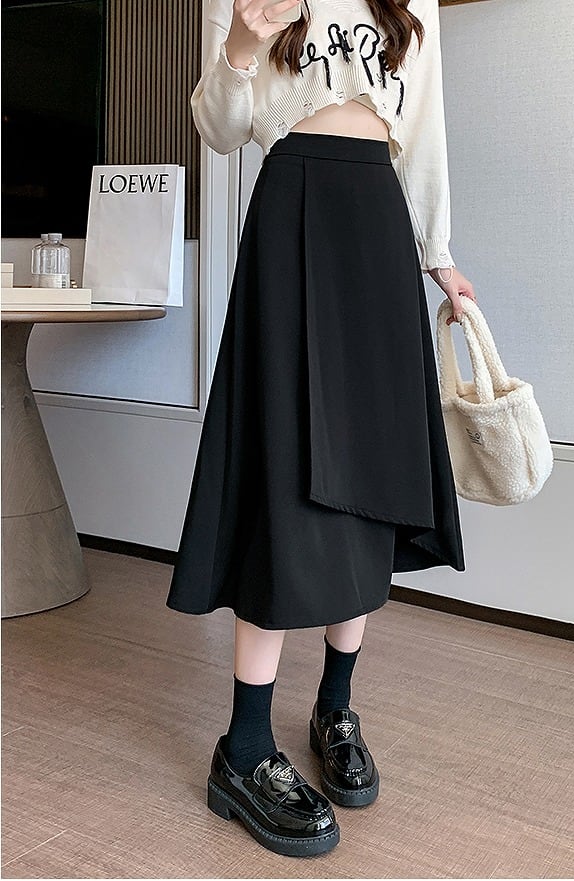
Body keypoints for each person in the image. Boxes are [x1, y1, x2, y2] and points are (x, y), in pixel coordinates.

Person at [166, 0, 477, 858]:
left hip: (377, 215)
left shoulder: (409, 5)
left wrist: (438, 254)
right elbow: (218, 129)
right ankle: (244, 745)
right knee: (285, 464)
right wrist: (241, 44)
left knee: (374, 464)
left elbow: (424, 126)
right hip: (291, 206)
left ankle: (335, 708)